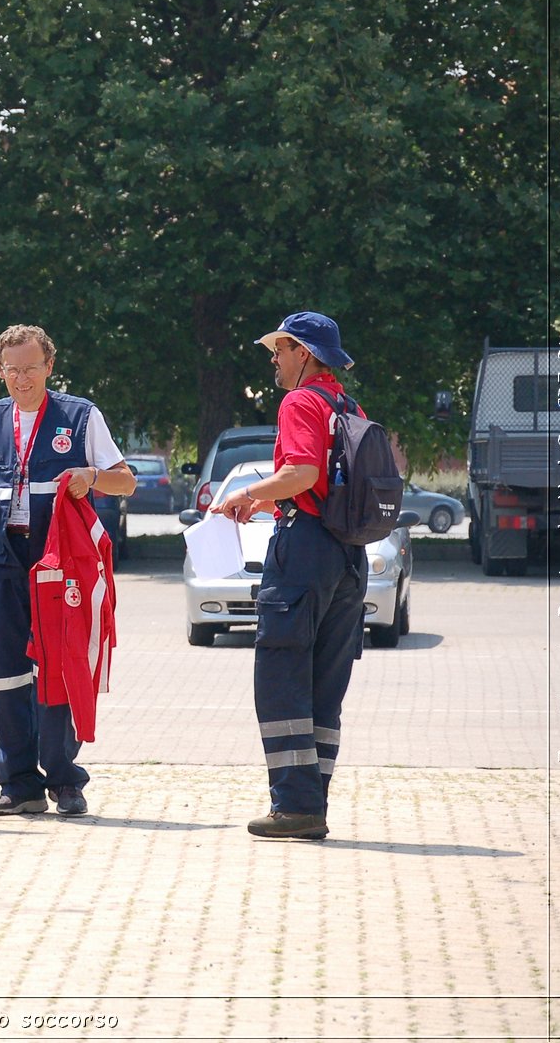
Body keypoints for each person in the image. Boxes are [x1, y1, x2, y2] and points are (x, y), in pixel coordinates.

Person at [0, 325, 134, 817]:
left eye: (31, 368)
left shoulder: (81, 417)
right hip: (1, 561)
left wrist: (91, 477)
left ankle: (64, 780)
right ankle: (18, 783)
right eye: (12, 369)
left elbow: (124, 481)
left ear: (49, 366)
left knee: (59, 669)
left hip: (57, 562)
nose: (21, 378)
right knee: (4, 673)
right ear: (0, 369)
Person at [210, 311, 365, 840]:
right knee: (324, 686)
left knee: (280, 678)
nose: (274, 359)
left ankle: (295, 808)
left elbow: (302, 473)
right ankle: (311, 803)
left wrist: (248, 494)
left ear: (304, 352)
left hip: (302, 549)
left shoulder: (300, 401)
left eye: (280, 349)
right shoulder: (347, 405)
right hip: (347, 554)